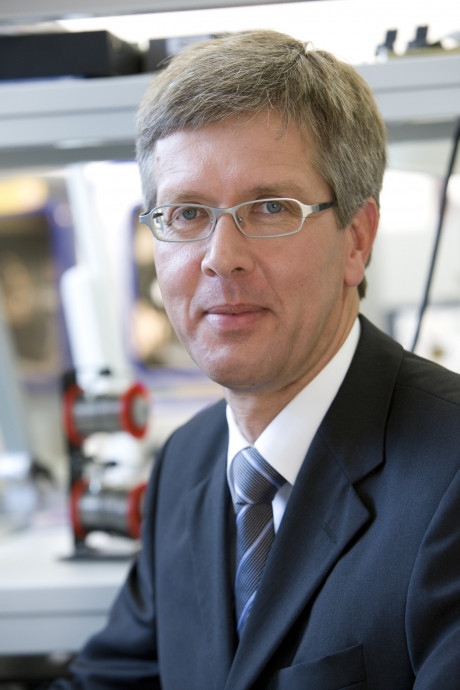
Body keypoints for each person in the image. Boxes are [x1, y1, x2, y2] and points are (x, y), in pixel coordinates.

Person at [52, 30, 460, 689]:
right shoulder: (187, 463)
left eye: (270, 208)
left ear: (357, 240)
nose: (221, 257)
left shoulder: (450, 476)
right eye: (187, 213)